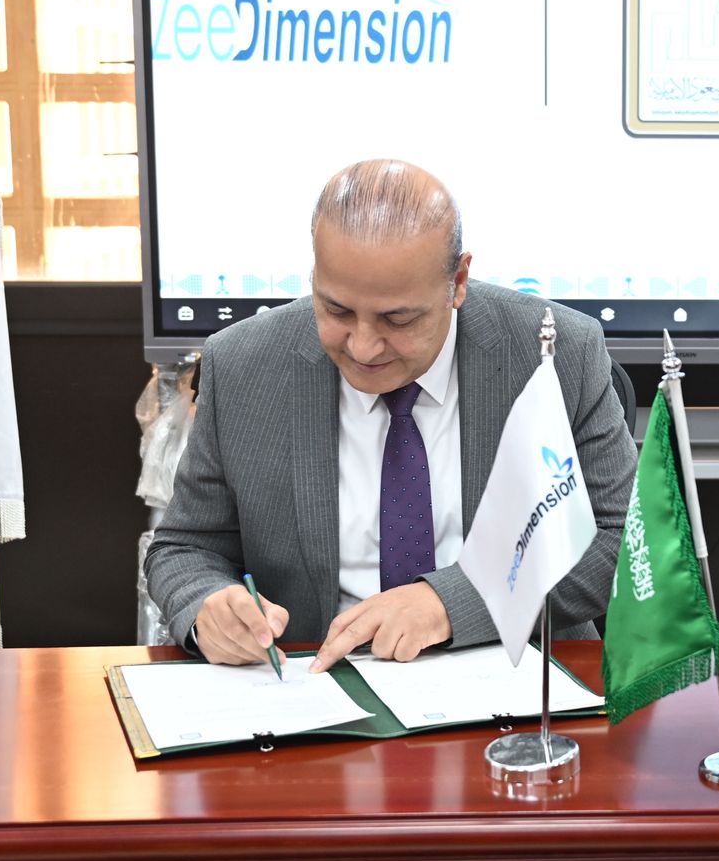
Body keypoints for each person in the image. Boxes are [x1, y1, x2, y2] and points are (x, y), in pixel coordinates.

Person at [145, 160, 636, 672]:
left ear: (458, 282)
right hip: (317, 684)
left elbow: (622, 538)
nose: (362, 347)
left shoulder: (554, 353)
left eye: (397, 319)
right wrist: (208, 607)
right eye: (336, 310)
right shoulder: (244, 364)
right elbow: (185, 547)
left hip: (520, 678)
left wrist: (450, 603)